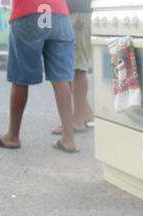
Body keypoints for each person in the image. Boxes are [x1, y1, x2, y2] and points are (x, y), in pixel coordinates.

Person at [0, 0, 79, 153]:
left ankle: (13, 136)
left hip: (29, 12)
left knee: (20, 78)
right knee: (62, 79)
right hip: (59, 14)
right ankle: (69, 139)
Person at [51, 0, 94, 135]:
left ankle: (77, 121)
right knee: (71, 67)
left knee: (77, 69)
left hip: (77, 15)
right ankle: (85, 113)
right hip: (75, 13)